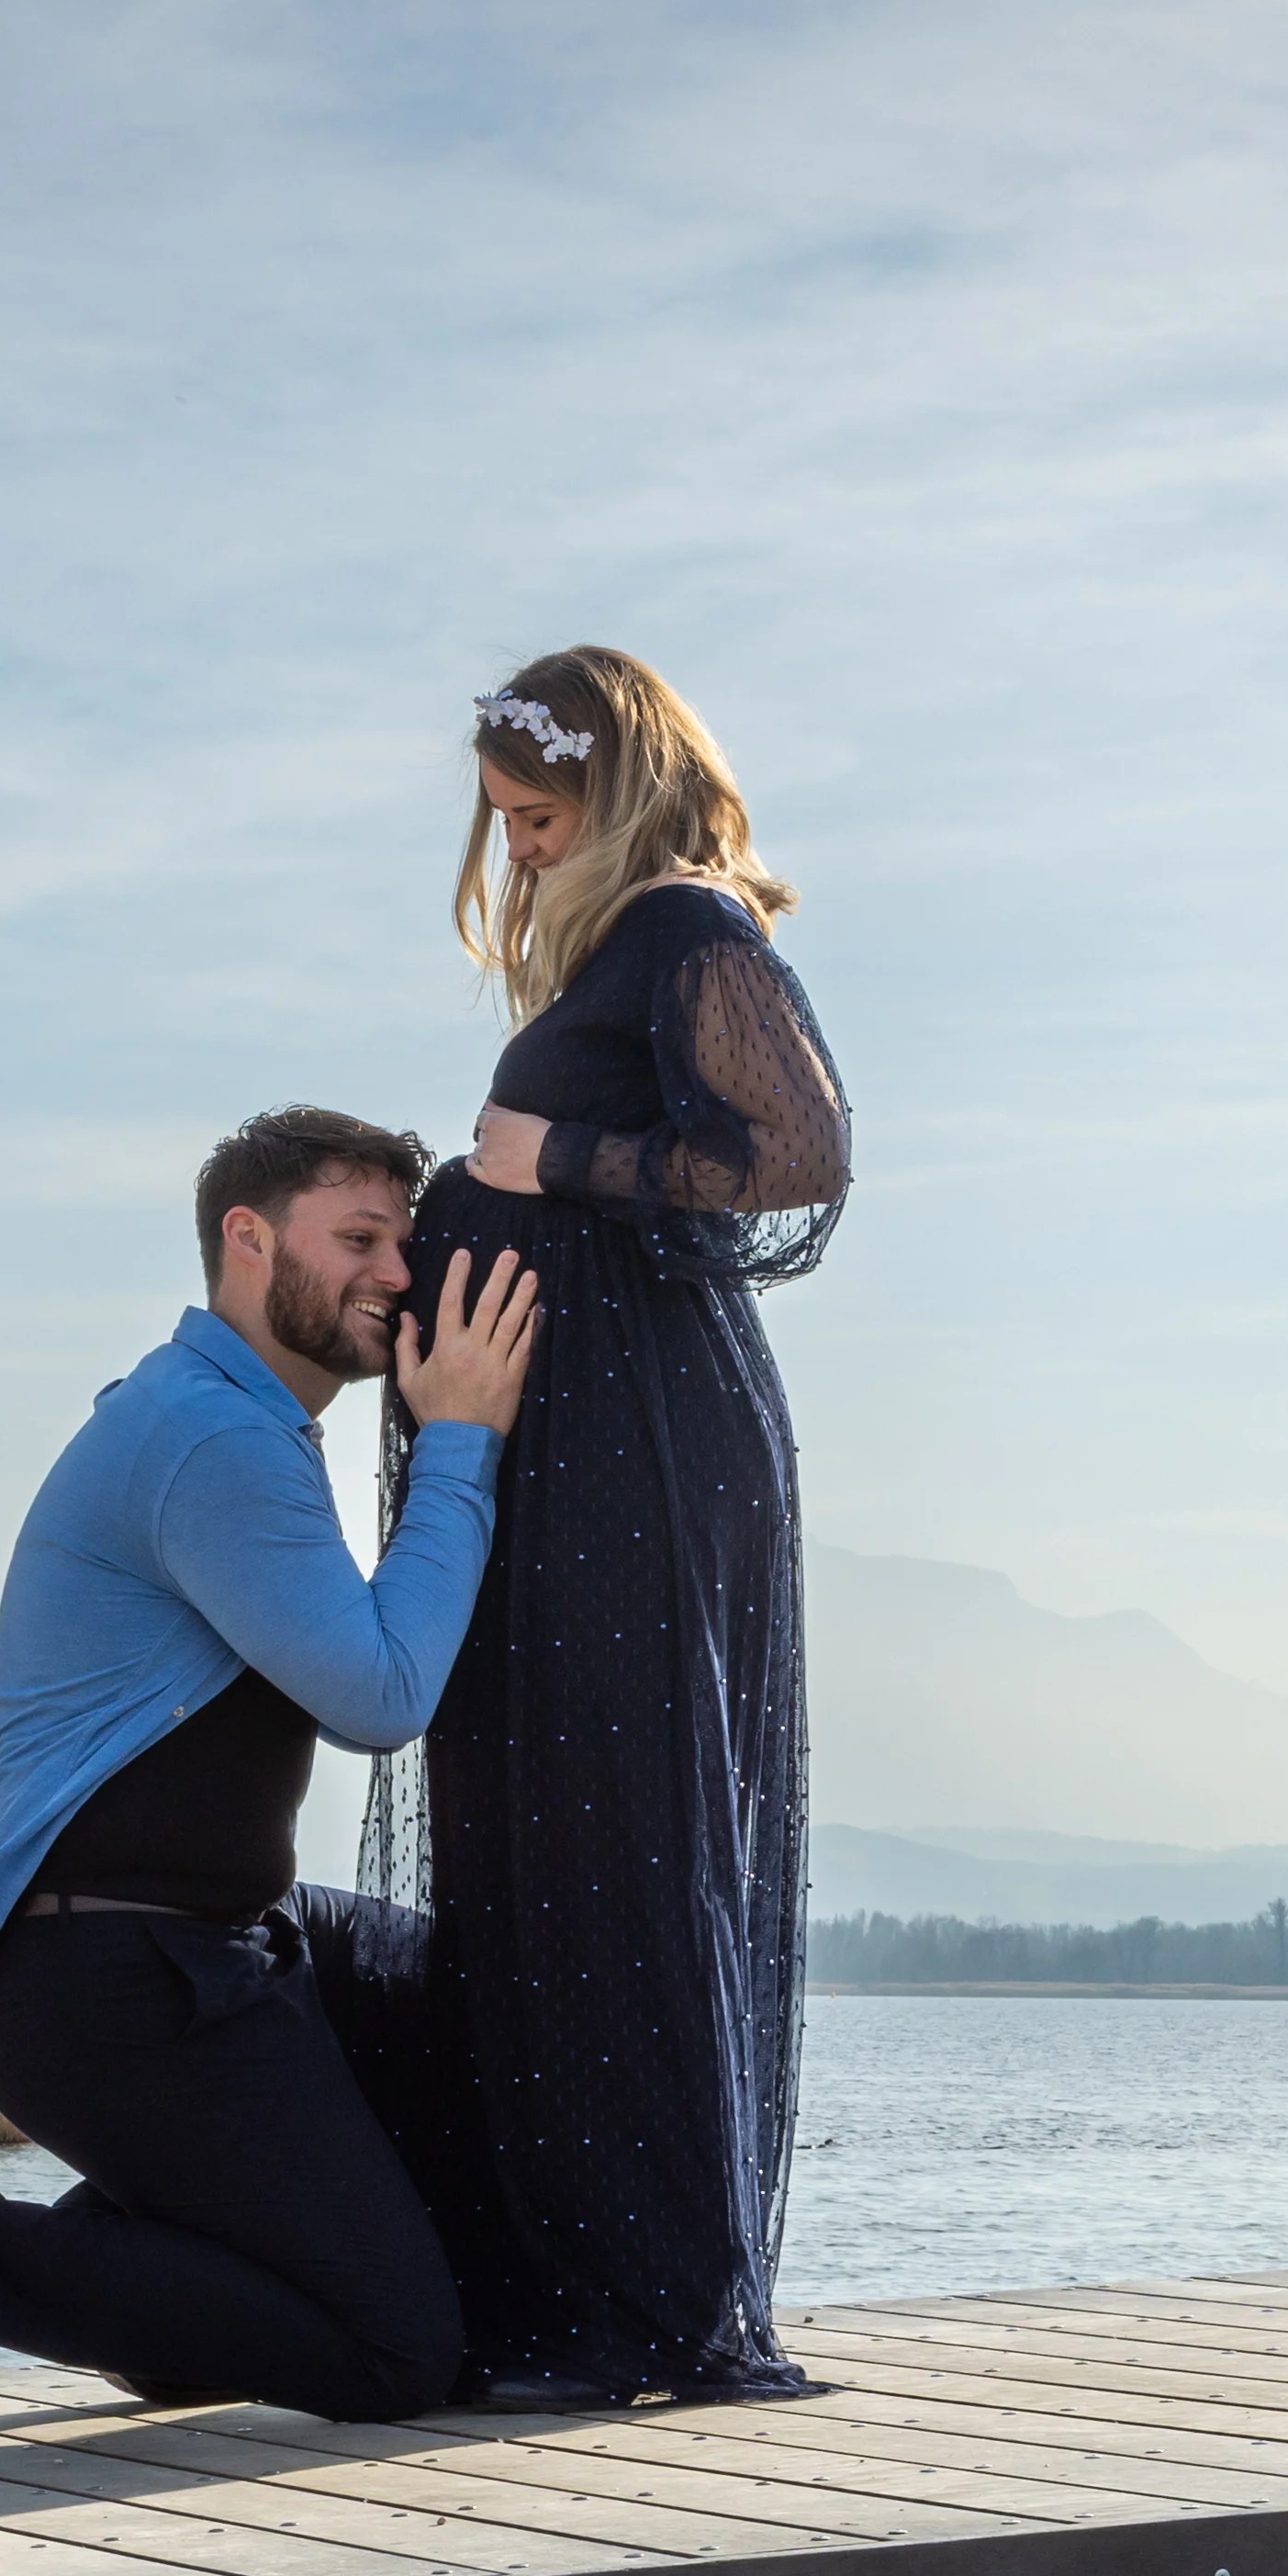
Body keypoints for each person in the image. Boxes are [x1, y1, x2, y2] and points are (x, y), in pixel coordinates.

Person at [0, 1108, 537, 2440]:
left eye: (403, 1244)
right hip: (105, 1980)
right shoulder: (212, 1441)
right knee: (392, 2356)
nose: (395, 1274)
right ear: (245, 1243)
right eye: (358, 1241)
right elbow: (380, 1698)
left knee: (470, 2004)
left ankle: (175, 2299)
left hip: (211, 1949)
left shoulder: (221, 1418)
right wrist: (464, 1446)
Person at [363, 646, 852, 2406]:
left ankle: (639, 2308)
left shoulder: (686, 927)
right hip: (567, 1449)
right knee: (541, 1849)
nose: (517, 853)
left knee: (613, 1846)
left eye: (540, 816)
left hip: (635, 1456)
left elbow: (798, 1157)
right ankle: (572, 2284)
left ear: (626, 784)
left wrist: (549, 1166)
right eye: (500, 822)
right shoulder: (631, 938)